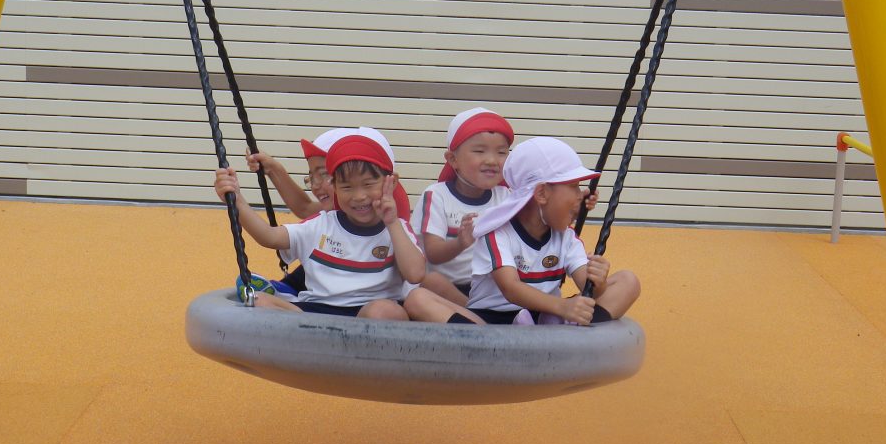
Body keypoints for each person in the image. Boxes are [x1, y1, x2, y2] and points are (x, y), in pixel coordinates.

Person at [213, 128, 425, 319]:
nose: (359, 196)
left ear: (390, 182)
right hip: (319, 310)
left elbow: (415, 274)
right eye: (347, 187)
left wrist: (392, 223)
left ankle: (288, 296)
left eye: (368, 184)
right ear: (336, 185)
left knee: (385, 310)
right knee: (259, 301)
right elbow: (270, 235)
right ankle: (289, 301)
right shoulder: (323, 223)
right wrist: (236, 200)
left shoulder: (395, 225)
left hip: (370, 311)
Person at [461, 136, 640, 325]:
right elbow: (511, 288)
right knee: (436, 304)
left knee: (628, 281)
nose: (581, 196)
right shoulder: (498, 233)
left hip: (546, 313)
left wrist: (598, 281)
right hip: (493, 320)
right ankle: (561, 327)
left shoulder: (567, 237)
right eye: (574, 186)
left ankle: (558, 326)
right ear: (542, 193)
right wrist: (562, 307)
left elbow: (588, 289)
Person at [408, 107, 515, 306]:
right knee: (431, 281)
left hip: (493, 286)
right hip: (450, 288)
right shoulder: (437, 195)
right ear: (453, 159)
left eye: (501, 152)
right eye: (479, 151)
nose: (492, 160)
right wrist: (460, 243)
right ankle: (474, 313)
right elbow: (433, 253)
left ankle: (478, 314)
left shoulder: (507, 197)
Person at [244, 128, 354, 294]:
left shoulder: (383, 218)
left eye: (324, 174)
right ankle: (284, 289)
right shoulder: (330, 215)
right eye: (312, 177)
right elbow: (305, 207)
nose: (315, 185)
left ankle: (284, 291)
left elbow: (304, 209)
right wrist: (272, 168)